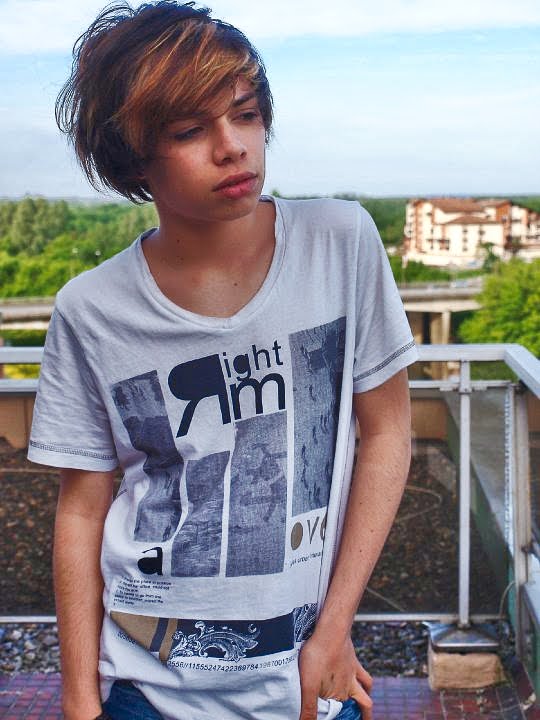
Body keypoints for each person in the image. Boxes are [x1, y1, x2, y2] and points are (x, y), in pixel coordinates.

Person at [28, 2, 418, 719]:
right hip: (145, 686)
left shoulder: (341, 242)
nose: (233, 147)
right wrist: (81, 699)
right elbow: (82, 508)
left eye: (245, 114)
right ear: (132, 158)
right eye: (188, 131)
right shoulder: (91, 308)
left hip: (309, 680)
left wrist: (335, 629)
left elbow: (388, 432)